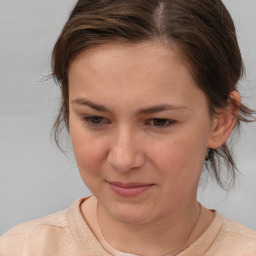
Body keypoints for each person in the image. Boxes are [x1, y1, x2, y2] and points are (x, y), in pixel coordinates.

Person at [1, 0, 256, 255]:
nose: (123, 160)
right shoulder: (20, 249)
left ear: (220, 122)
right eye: (95, 119)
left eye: (159, 122)